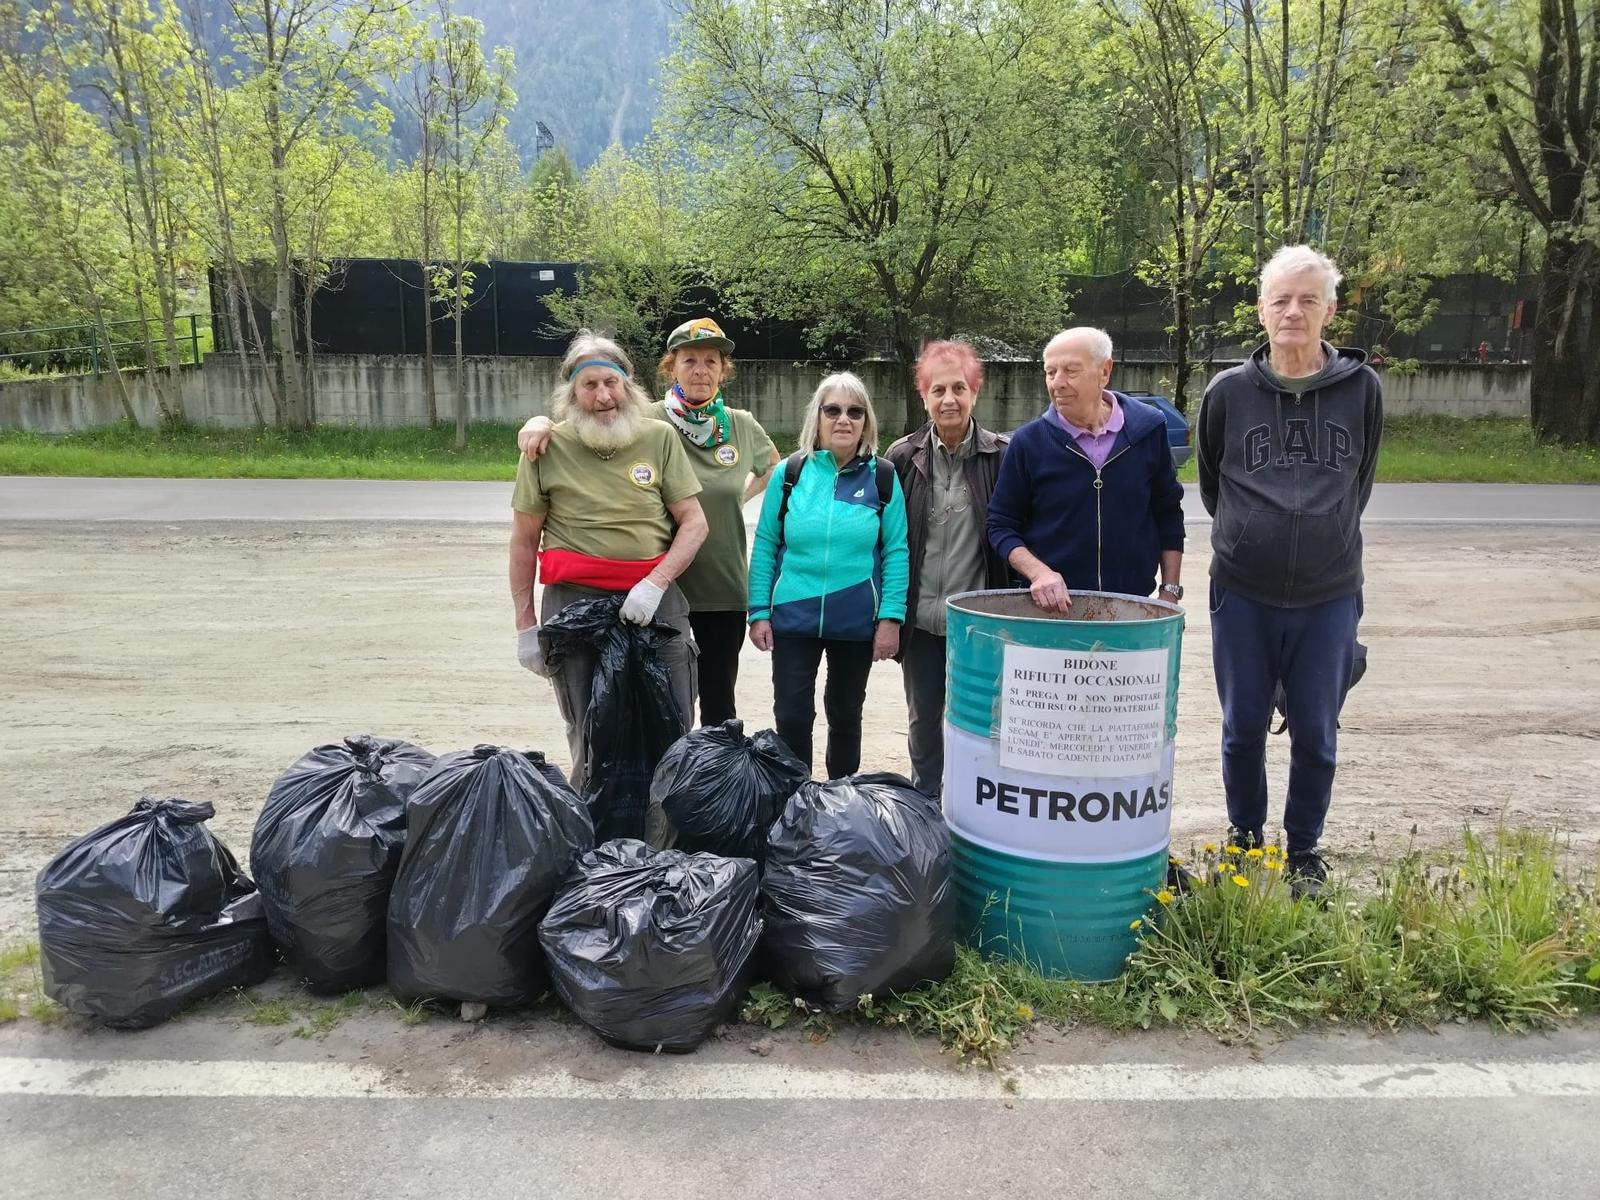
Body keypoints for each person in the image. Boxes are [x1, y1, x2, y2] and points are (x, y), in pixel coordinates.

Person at [1197, 245, 1383, 898]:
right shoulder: (1227, 394)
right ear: (1260, 311)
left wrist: (1320, 538)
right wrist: (1257, 537)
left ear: (1330, 309)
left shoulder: (1362, 390)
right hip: (1243, 592)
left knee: (1317, 731)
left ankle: (1303, 849)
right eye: (1280, 300)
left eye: (1308, 300)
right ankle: (1246, 838)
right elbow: (1213, 486)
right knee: (1242, 725)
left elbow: (1358, 482)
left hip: (1329, 593)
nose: (1293, 312)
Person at [518, 317, 780, 726]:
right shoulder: (649, 421)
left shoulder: (738, 425)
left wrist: (740, 499)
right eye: (689, 360)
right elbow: (586, 419)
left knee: (710, 706)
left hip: (715, 584)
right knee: (627, 711)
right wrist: (540, 423)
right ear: (670, 367)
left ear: (722, 370)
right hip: (662, 584)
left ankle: (704, 786)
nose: (700, 370)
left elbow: (774, 472)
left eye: (711, 361)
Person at [509, 330, 709, 788]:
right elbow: (523, 542)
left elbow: (694, 523)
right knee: (589, 729)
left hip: (653, 601)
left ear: (629, 385)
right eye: (589, 385)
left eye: (611, 383)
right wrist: (526, 628)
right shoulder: (544, 448)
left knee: (672, 723)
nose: (603, 397)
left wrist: (655, 583)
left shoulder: (659, 438)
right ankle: (593, 843)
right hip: (573, 606)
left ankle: (667, 842)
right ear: (571, 393)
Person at [747, 372, 910, 779]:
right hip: (792, 617)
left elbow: (896, 551)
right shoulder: (790, 474)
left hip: (856, 619)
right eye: (833, 410)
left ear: (866, 421)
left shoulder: (884, 477)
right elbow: (766, 544)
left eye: (855, 412)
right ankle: (796, 799)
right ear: (817, 418)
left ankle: (840, 800)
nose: (844, 420)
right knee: (791, 714)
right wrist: (758, 611)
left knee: (846, 714)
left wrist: (891, 618)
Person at [884, 341, 1011, 799]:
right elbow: (887, 542)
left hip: (976, 621)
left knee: (980, 715)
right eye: (938, 390)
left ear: (976, 392)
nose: (949, 399)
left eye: (959, 387)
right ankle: (927, 800)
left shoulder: (1002, 456)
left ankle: (975, 799)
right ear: (924, 397)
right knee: (923, 715)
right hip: (920, 620)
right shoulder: (901, 457)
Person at [986, 327, 1185, 612]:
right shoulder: (1027, 443)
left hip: (1131, 608)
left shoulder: (1149, 429)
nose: (1057, 383)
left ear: (1105, 371)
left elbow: (1167, 512)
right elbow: (999, 524)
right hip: (1054, 610)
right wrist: (1039, 572)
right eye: (1050, 372)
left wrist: (1169, 592)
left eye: (1071, 371)